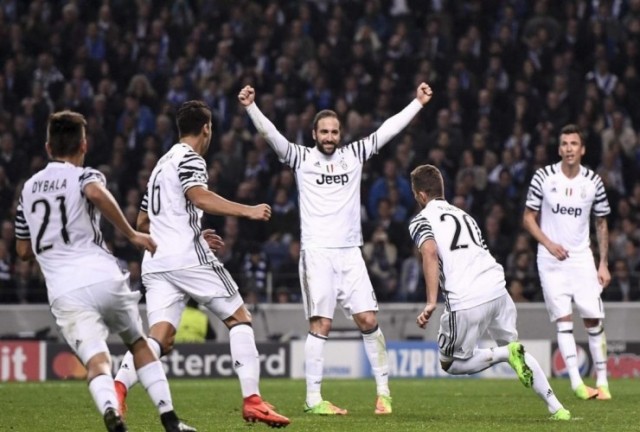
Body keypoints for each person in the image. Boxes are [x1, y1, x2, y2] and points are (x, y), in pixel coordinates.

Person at [238, 81, 434, 415]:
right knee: (321, 325)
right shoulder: (301, 157)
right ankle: (313, 399)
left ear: (340, 134)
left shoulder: (353, 155)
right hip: (317, 253)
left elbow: (387, 131)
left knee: (368, 319)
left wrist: (417, 103)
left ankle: (383, 394)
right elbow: (272, 136)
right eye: (324, 132)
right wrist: (251, 107)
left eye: (334, 132)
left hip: (350, 253)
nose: (330, 137)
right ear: (314, 134)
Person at [14, 110, 195, 432]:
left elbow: (23, 251)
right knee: (138, 344)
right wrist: (132, 234)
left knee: (96, 360)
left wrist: (49, 246)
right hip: (102, 276)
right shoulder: (85, 176)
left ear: (48, 147)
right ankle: (169, 419)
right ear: (83, 145)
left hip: (65, 291)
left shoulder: (27, 191)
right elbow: (95, 192)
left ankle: (110, 409)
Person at [112, 101, 290, 428]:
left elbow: (143, 222)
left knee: (161, 338)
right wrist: (248, 210)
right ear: (206, 128)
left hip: (156, 260)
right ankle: (253, 400)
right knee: (239, 318)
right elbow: (199, 196)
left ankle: (118, 387)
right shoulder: (192, 158)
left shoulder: (160, 166)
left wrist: (185, 230)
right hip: (186, 257)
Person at [408, 164, 571, 421]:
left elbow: (429, 251)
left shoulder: (421, 219)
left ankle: (505, 355)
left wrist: (430, 301)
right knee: (516, 348)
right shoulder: (465, 216)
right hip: (497, 289)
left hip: (466, 298)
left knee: (450, 362)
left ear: (420, 195)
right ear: (442, 189)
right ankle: (557, 407)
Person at [523, 124, 612, 401]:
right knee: (563, 320)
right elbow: (528, 218)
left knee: (593, 319)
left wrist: (603, 263)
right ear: (559, 149)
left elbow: (601, 222)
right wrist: (549, 244)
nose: (569, 148)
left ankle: (603, 381)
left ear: (582, 149)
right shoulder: (543, 177)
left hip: (582, 258)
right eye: (564, 144)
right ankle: (577, 383)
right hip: (550, 260)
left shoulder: (593, 182)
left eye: (574, 143)